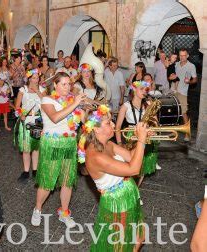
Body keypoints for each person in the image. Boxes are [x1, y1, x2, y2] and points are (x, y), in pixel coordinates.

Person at [78, 106, 147, 251]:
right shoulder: (95, 156)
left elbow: (131, 157)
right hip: (117, 201)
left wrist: (142, 139)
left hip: (128, 194)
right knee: (121, 245)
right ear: (96, 129)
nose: (114, 125)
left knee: (139, 236)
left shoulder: (107, 144)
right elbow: (133, 169)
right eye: (109, 123)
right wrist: (141, 140)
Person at [31, 72, 87, 228]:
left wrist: (93, 112)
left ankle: (64, 212)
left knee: (67, 180)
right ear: (55, 85)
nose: (67, 87)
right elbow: (55, 117)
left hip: (69, 143)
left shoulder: (71, 101)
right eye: (63, 84)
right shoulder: (47, 100)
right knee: (48, 181)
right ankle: (37, 209)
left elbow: (84, 121)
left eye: (69, 84)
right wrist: (75, 104)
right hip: (53, 143)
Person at [115, 80, 161, 186]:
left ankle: (136, 190)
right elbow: (118, 127)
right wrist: (119, 143)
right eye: (142, 89)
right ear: (134, 90)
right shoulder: (125, 106)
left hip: (145, 134)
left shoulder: (149, 104)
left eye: (146, 90)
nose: (145, 92)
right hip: (132, 136)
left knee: (142, 165)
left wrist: (153, 129)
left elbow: (155, 122)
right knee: (132, 165)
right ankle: (131, 189)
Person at [14, 69, 46, 183]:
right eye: (33, 78)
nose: (36, 80)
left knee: (36, 147)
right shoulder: (23, 90)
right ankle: (26, 171)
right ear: (29, 79)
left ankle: (35, 170)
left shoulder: (42, 90)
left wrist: (38, 91)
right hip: (26, 121)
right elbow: (17, 106)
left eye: (37, 78)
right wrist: (21, 114)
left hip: (37, 120)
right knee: (26, 148)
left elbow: (46, 103)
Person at [175, 48, 197, 142]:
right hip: (173, 91)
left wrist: (189, 81)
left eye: (184, 55)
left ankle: (188, 134)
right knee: (173, 112)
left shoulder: (191, 66)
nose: (182, 57)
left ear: (187, 56)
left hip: (183, 92)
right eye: (180, 55)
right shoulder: (176, 64)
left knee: (183, 112)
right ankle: (173, 131)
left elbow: (195, 80)